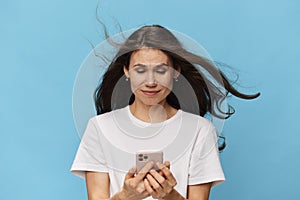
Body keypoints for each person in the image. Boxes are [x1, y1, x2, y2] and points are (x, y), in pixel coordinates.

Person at [70, 25, 260, 200]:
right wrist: (126, 196)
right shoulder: (100, 128)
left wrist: (170, 196)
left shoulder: (200, 130)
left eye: (161, 70)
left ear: (176, 71)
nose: (150, 81)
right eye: (140, 70)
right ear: (126, 71)